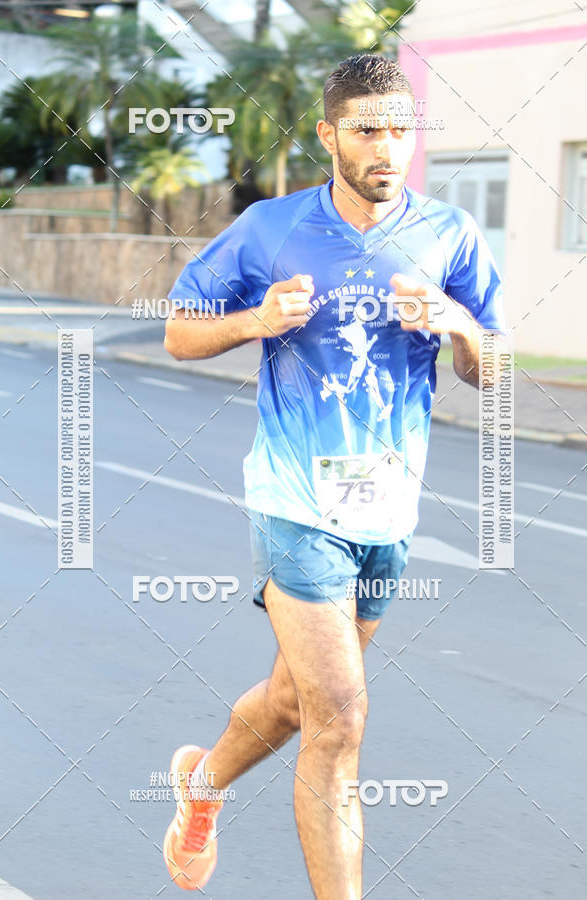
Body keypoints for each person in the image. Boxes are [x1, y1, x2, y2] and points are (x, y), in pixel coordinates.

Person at [162, 53, 506, 899]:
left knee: (291, 702)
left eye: (401, 131)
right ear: (328, 135)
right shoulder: (270, 227)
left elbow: (489, 371)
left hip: (388, 508)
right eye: (367, 131)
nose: (388, 148)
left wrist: (460, 324)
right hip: (294, 499)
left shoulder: (450, 234)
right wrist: (255, 318)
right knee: (340, 720)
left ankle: (200, 788)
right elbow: (177, 332)